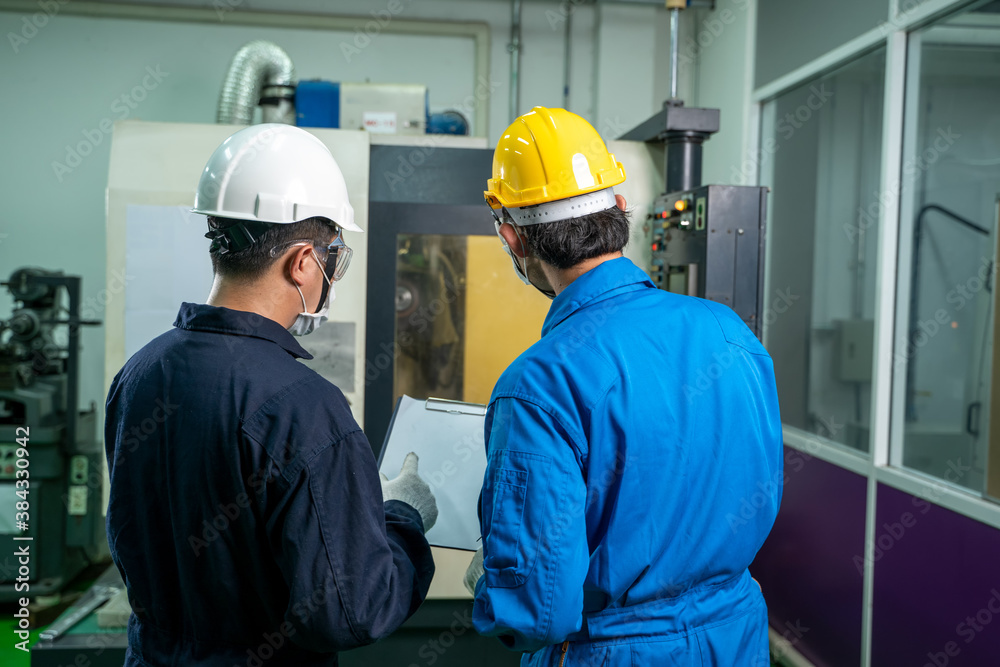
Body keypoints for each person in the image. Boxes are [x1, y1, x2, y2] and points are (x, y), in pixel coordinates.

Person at [105, 124, 437, 667]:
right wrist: (401, 516)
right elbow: (350, 613)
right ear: (304, 261)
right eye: (334, 254)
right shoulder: (305, 407)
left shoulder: (139, 373)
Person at [463, 107, 783, 666]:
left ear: (513, 238)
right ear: (617, 207)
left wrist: (498, 576)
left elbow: (539, 609)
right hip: (736, 640)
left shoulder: (540, 382)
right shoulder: (728, 332)